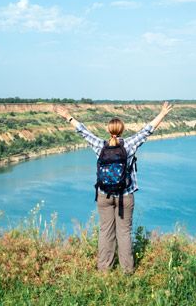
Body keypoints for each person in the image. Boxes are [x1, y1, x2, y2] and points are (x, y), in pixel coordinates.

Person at [55, 102, 173, 274]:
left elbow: (83, 131)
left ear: (108, 130)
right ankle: (127, 271)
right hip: (125, 195)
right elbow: (147, 130)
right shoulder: (129, 145)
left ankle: (104, 269)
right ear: (122, 130)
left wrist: (68, 116)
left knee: (105, 231)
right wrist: (162, 113)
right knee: (124, 233)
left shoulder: (99, 145)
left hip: (104, 195)